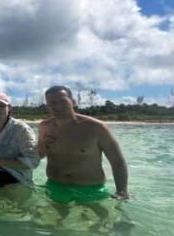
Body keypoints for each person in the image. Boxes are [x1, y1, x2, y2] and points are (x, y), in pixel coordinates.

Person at [38, 85, 129, 215]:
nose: (57, 107)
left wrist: (122, 190)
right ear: (47, 106)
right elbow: (39, 155)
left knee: (102, 228)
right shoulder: (45, 127)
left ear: (73, 102)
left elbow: (117, 161)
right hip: (55, 186)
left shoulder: (96, 128)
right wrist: (44, 146)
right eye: (52, 103)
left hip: (90, 189)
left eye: (63, 101)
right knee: (55, 228)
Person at [0, 92, 40, 190]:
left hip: (17, 185)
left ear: (9, 108)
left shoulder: (21, 129)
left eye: (1, 106)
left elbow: (33, 161)